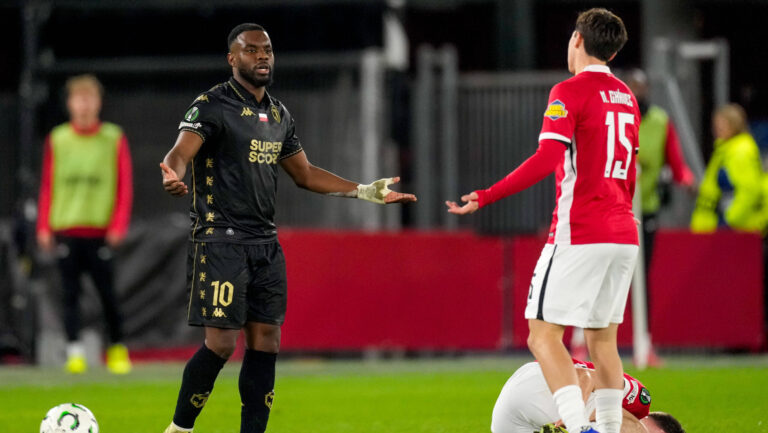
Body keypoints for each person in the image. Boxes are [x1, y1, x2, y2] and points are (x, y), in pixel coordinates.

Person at [159, 23, 416, 433]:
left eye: (268, 50)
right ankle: (179, 429)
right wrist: (172, 173)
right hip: (221, 241)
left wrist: (365, 191)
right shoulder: (211, 105)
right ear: (232, 58)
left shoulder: (278, 115)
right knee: (222, 344)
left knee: (266, 342)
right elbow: (179, 152)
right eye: (251, 50)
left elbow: (306, 174)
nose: (262, 56)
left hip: (265, 244)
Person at [447, 8, 639, 433]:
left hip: (581, 230)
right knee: (602, 340)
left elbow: (546, 159)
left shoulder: (569, 90)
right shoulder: (626, 96)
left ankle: (577, 427)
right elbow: (629, 170)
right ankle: (606, 430)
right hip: (624, 232)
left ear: (577, 40)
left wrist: (487, 195)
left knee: (542, 335)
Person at [571, 69, 696, 366]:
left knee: (638, 279)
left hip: (644, 208)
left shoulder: (660, 121)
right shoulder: (608, 113)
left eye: (642, 87)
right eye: (633, 87)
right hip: (608, 208)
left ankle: (644, 344)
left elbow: (676, 164)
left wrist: (687, 180)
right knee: (597, 273)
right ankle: (580, 341)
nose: (638, 93)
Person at [36, 74, 134, 375]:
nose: (84, 105)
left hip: (100, 232)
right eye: (79, 99)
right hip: (67, 229)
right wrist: (44, 225)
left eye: (90, 99)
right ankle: (74, 353)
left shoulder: (113, 138)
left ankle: (117, 350)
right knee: (69, 295)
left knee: (107, 295)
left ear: (98, 104)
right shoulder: (58, 139)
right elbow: (48, 185)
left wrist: (119, 223)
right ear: (69, 104)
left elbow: (124, 184)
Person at [491, 359, 656, 433]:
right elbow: (584, 375)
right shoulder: (639, 400)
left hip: (509, 413)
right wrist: (573, 413)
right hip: (541, 381)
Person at [690, 103, 766, 233]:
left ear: (735, 124)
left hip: (733, 229)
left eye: (722, 124)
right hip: (712, 226)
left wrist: (728, 221)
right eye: (715, 124)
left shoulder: (741, 151)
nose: (717, 129)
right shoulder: (724, 148)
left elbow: (748, 191)